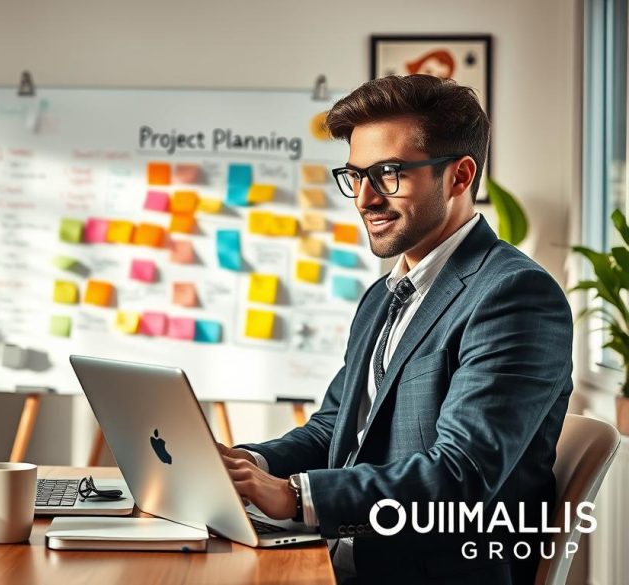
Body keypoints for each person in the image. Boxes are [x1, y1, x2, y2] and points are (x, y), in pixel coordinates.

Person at [218, 74, 573, 584]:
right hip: (342, 557)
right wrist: (247, 464)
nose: (364, 198)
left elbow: (460, 475)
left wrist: (295, 495)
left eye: (388, 174)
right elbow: (334, 430)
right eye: (355, 176)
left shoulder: (514, 296)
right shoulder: (384, 294)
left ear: (458, 176)